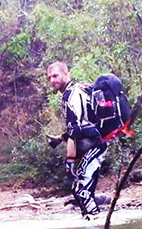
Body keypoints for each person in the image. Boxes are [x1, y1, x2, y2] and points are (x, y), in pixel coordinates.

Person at [46, 61, 107, 220]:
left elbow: (75, 130)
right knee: (77, 190)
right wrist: (60, 138)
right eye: (49, 77)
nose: (52, 80)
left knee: (83, 190)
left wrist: (70, 160)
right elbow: (82, 124)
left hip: (95, 145)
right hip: (93, 143)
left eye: (55, 75)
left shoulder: (70, 94)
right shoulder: (76, 90)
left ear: (66, 74)